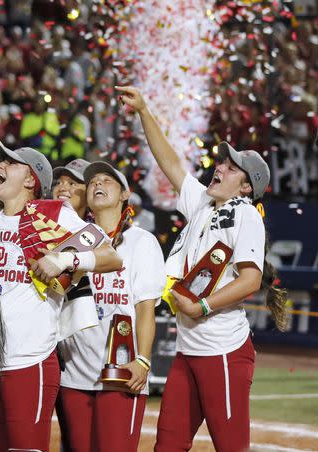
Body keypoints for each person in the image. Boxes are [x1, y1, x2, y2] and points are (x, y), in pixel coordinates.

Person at [116, 86, 288, 452]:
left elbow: (251, 279)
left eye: (230, 167)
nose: (219, 167)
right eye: (221, 162)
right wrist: (145, 110)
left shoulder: (244, 214)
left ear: (246, 186)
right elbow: (172, 164)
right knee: (169, 444)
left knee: (230, 446)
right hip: (190, 348)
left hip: (222, 350)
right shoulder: (203, 204)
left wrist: (205, 306)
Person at [0, 106, 123, 451]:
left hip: (28, 360)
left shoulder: (53, 214)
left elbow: (111, 256)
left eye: (10, 164)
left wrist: (65, 257)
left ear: (30, 179)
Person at [57, 161, 165, 451]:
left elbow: (145, 309)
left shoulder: (142, 242)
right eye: (92, 182)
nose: (98, 185)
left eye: (107, 180)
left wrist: (143, 360)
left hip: (120, 374)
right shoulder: (72, 240)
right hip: (74, 376)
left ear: (125, 195)